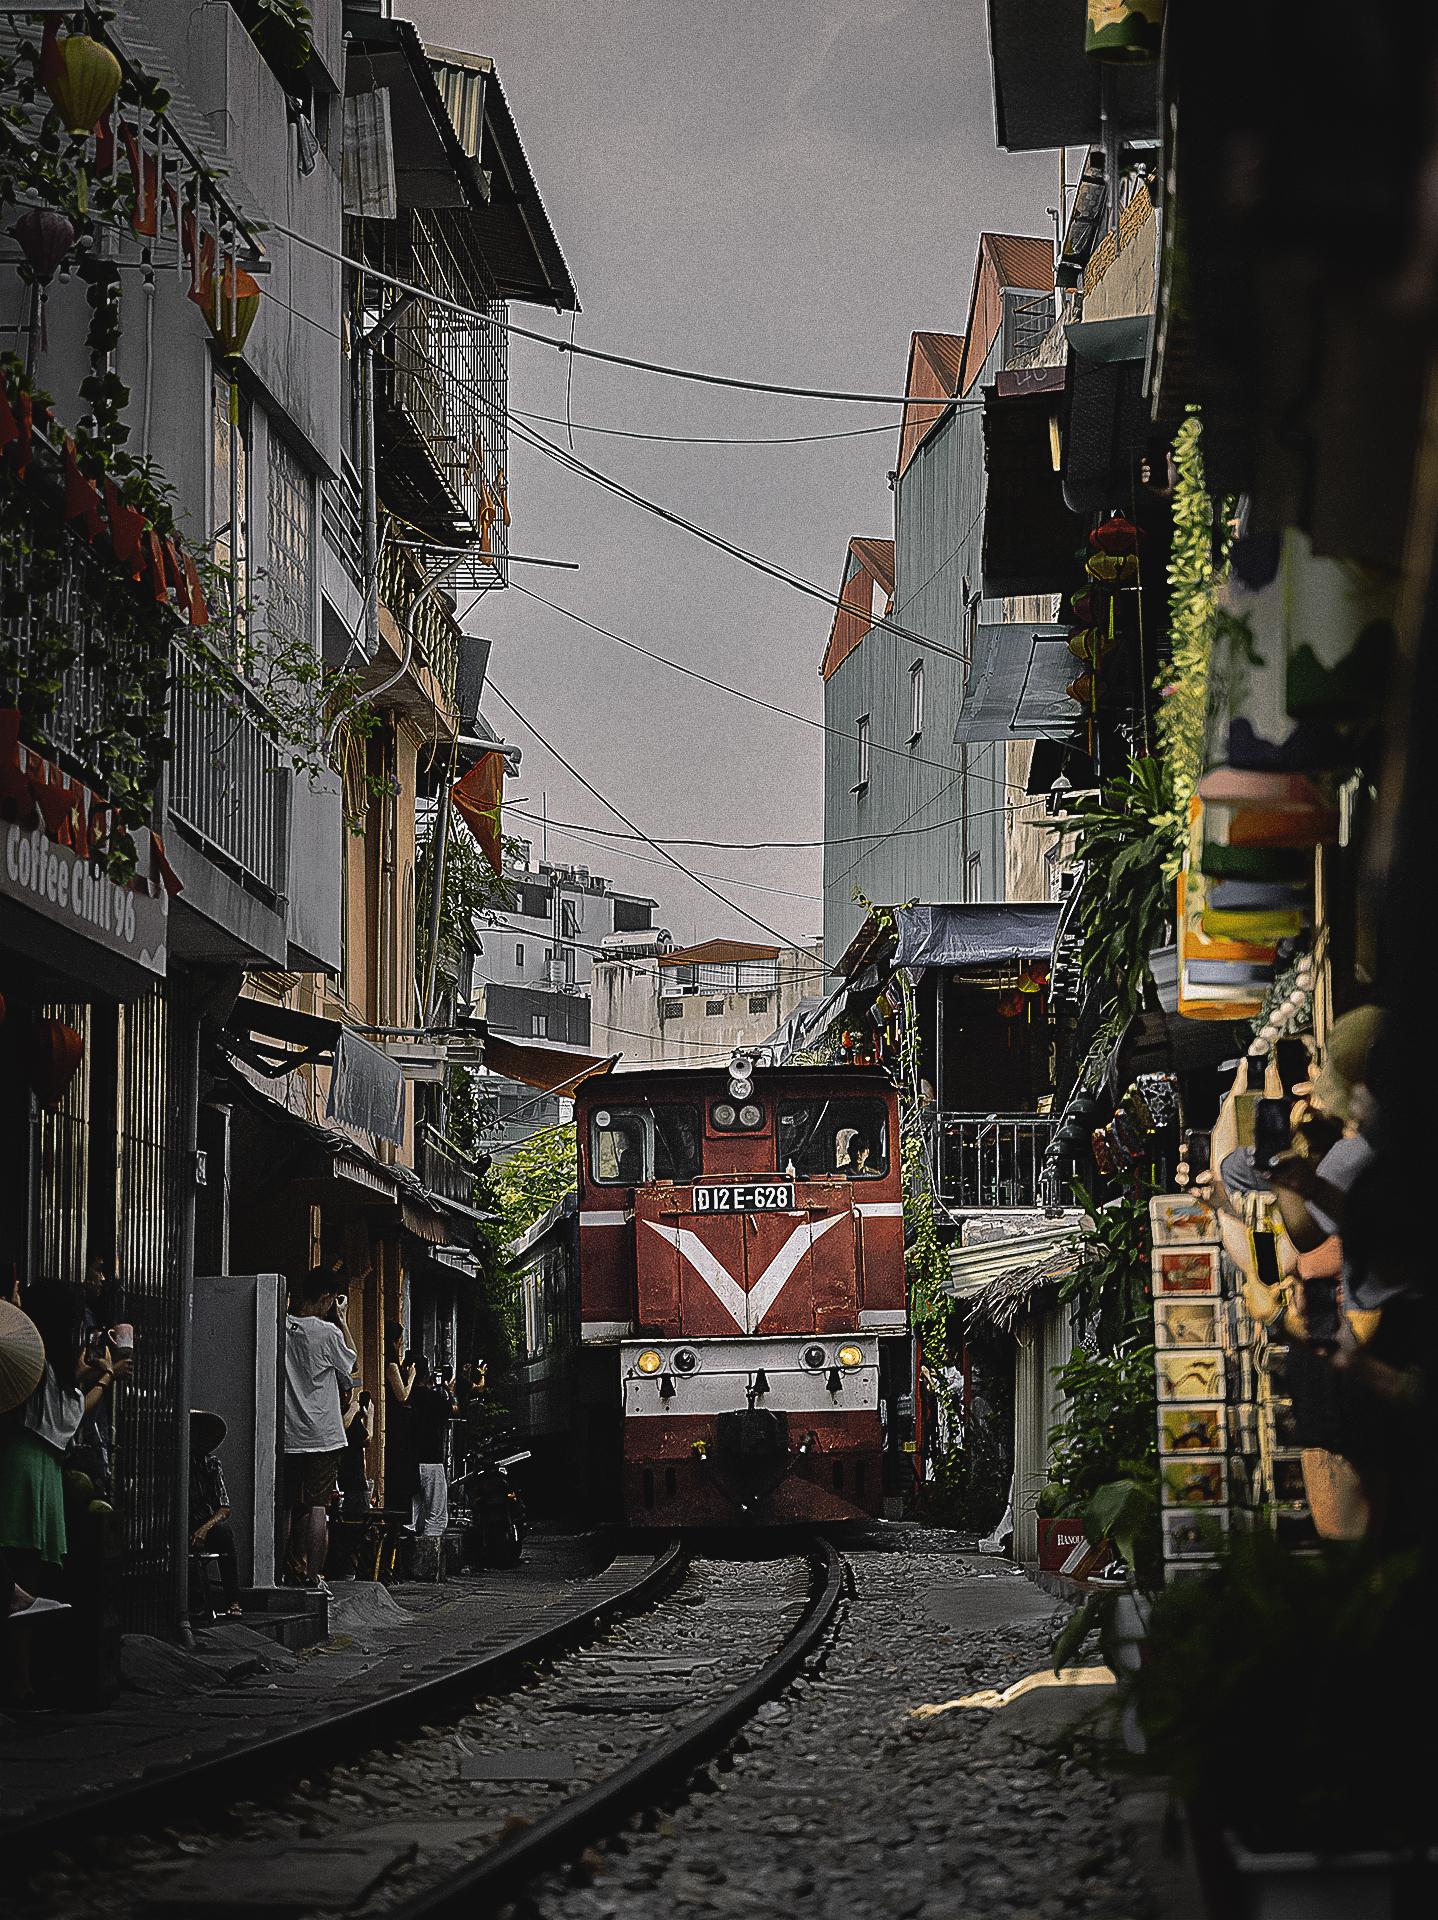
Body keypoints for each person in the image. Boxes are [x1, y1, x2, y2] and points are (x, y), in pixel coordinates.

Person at [0, 1281, 128, 1592]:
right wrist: (107, 1376)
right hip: (44, 1472)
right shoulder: (52, 1366)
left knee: (13, 1574)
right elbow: (73, 1414)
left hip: (18, 1465)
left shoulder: (30, 1362)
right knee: (30, 1583)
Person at [282, 1270, 357, 1592]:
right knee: (317, 1507)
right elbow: (350, 1364)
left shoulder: (281, 1326)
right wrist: (342, 1319)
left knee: (284, 1504)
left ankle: (276, 1571)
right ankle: (313, 1576)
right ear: (326, 1298)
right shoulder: (328, 1333)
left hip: (287, 1432)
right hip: (324, 1434)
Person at [188, 1409, 242, 1615]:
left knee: (223, 1533)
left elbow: (224, 1507)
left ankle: (233, 1600)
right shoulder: (173, 1461)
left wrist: (205, 1528)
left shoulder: (210, 1464)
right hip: (176, 1523)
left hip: (203, 1521)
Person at [409, 1358, 456, 1540]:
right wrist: (449, 1391)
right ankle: (428, 1557)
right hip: (432, 1459)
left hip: (410, 1459)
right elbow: (454, 1410)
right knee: (436, 1516)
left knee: (411, 1515)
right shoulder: (435, 1397)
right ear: (428, 1375)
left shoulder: (407, 1395)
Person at [383, 1320, 416, 1514]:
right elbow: (402, 1395)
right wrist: (411, 1375)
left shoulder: (394, 1362)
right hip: (397, 1421)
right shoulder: (391, 1364)